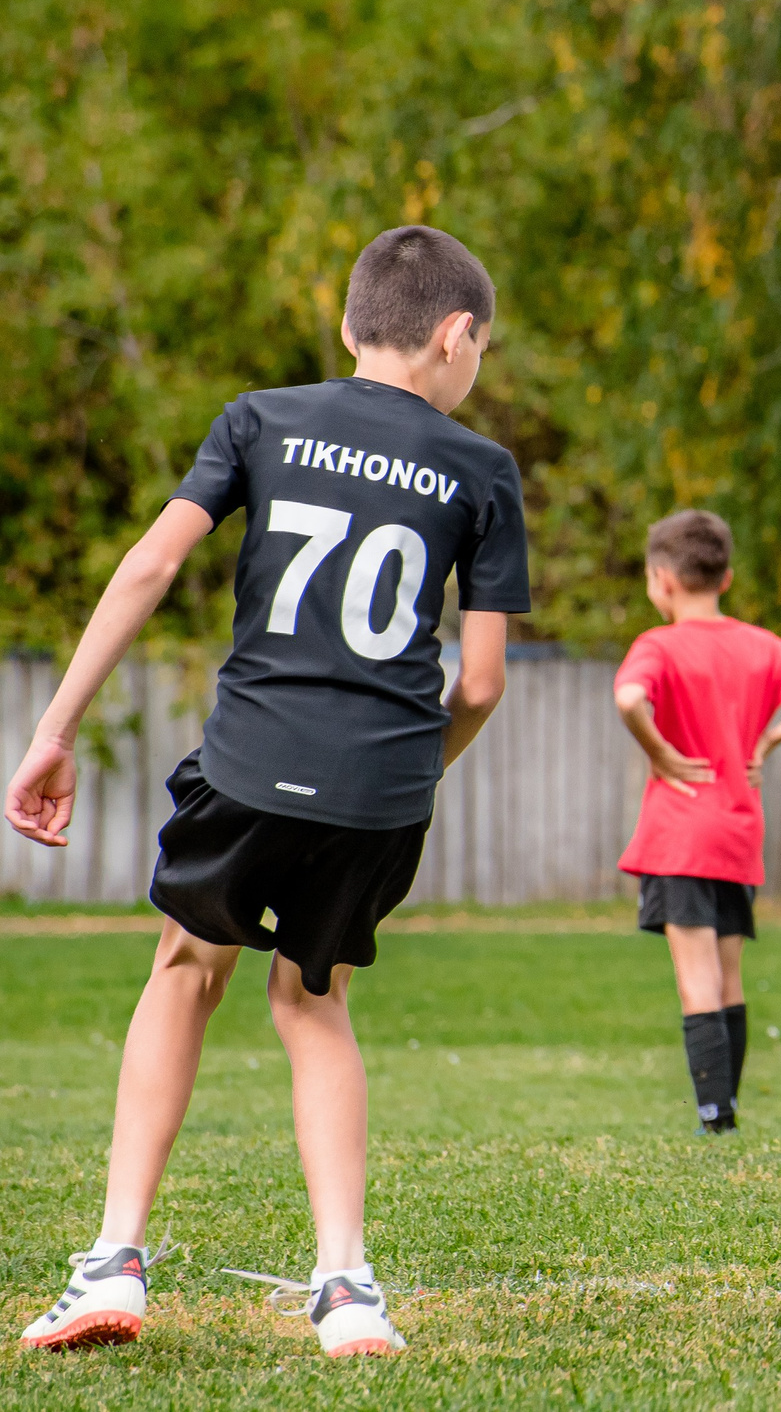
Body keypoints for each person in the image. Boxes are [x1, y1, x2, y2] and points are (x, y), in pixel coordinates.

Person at [7, 225, 530, 1358]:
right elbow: (480, 681)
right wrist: (407, 773)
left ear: (349, 325)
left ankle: (112, 1262)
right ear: (457, 337)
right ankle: (346, 1286)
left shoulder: (260, 417)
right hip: (379, 790)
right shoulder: (481, 470)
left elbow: (149, 564)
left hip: (249, 761)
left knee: (186, 967)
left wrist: (55, 728)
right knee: (313, 998)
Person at [611, 508, 781, 1134]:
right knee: (726, 977)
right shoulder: (761, 646)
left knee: (696, 982)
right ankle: (726, 1109)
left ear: (661, 578)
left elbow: (629, 698)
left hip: (681, 835)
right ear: (723, 578)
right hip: (738, 831)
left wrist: (660, 752)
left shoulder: (657, 645)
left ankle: (715, 1119)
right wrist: (770, 740)